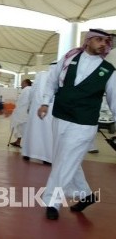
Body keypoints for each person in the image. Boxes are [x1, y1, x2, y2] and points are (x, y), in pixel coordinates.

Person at [37, 29, 115, 220]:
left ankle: (52, 202)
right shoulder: (68, 59)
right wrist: (45, 102)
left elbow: (115, 100)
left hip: (84, 124)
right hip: (60, 117)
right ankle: (85, 194)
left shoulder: (109, 71)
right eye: (99, 40)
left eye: (106, 41)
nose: (103, 44)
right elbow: (52, 80)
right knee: (62, 159)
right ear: (88, 41)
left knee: (66, 161)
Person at [21, 63, 57, 164]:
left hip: (36, 108)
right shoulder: (60, 76)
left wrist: (31, 104)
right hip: (50, 109)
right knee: (48, 133)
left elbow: (33, 91)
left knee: (33, 131)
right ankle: (47, 158)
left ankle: (28, 153)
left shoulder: (41, 75)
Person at [9, 79, 33, 147]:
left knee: (22, 128)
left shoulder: (27, 90)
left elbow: (23, 102)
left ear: (25, 83)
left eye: (22, 83)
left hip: (23, 113)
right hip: (22, 112)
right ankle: (18, 141)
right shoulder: (27, 90)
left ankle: (24, 143)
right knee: (20, 127)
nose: (21, 84)